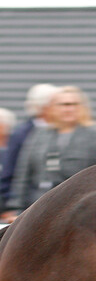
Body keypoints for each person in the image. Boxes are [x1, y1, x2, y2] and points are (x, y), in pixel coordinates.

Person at [7, 86, 96, 219]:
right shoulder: (38, 135)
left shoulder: (94, 136)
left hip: (78, 210)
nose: (69, 109)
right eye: (63, 105)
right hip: (37, 207)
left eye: (74, 104)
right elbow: (23, 173)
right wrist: (16, 207)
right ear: (52, 108)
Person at [0, 83, 59, 216]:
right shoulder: (23, 133)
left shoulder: (60, 130)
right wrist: (10, 204)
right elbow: (11, 171)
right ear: (45, 107)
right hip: (29, 205)